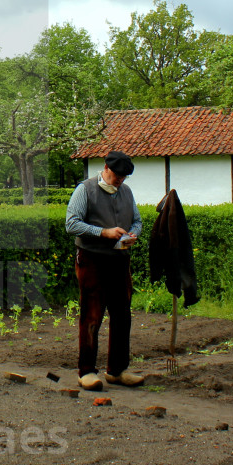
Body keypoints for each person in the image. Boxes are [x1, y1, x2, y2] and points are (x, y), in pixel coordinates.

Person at [65, 151, 145, 391]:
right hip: (92, 259)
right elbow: (71, 224)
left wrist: (133, 235)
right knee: (92, 315)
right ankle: (86, 371)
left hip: (119, 259)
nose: (120, 181)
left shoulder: (126, 192)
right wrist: (104, 232)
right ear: (106, 168)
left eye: (124, 177)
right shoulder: (85, 190)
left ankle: (117, 371)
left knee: (122, 315)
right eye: (117, 176)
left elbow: (137, 221)